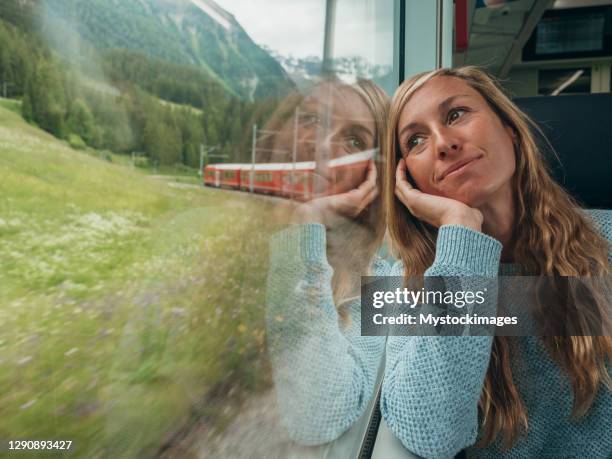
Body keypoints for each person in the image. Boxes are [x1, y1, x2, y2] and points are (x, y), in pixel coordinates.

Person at [382, 66, 611, 458]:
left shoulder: (607, 240)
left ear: (509, 129)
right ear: (411, 182)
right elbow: (433, 433)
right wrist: (461, 230)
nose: (442, 143)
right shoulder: (400, 290)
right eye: (416, 141)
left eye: (456, 114)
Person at [265, 77, 390, 445]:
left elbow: (317, 418)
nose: (320, 147)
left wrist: (308, 219)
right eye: (311, 121)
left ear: (374, 177)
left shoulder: (386, 288)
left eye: (354, 141)